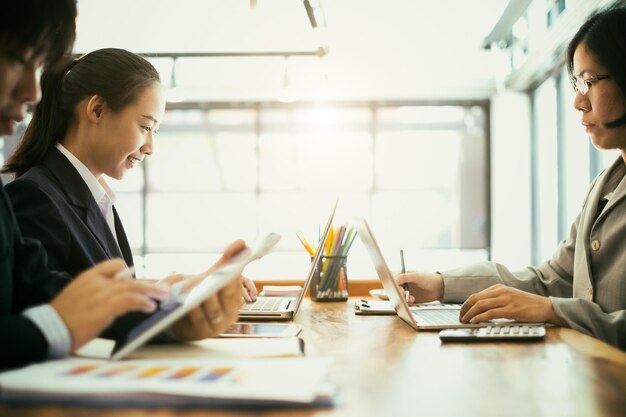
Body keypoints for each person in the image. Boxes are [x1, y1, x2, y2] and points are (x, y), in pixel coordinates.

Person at [0, 0, 243, 371]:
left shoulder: (93, 197)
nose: (149, 147)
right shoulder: (34, 195)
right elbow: (57, 308)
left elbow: (73, 297)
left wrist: (176, 299)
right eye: (145, 126)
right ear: (96, 110)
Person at [396, 6, 626, 350]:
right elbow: (550, 280)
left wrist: (553, 311)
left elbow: (550, 299)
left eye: (590, 82)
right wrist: (442, 285)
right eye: (577, 83)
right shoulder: (602, 187)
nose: (579, 101)